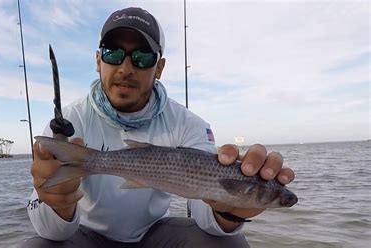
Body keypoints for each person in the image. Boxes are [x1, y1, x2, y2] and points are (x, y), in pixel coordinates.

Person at [23, 7, 295, 248]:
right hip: (86, 235)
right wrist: (57, 204)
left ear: (160, 67)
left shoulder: (189, 124)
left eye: (142, 57)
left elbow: (203, 212)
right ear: (98, 61)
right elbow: (51, 232)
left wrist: (229, 211)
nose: (126, 68)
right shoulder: (66, 124)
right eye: (113, 53)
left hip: (154, 236)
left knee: (230, 244)